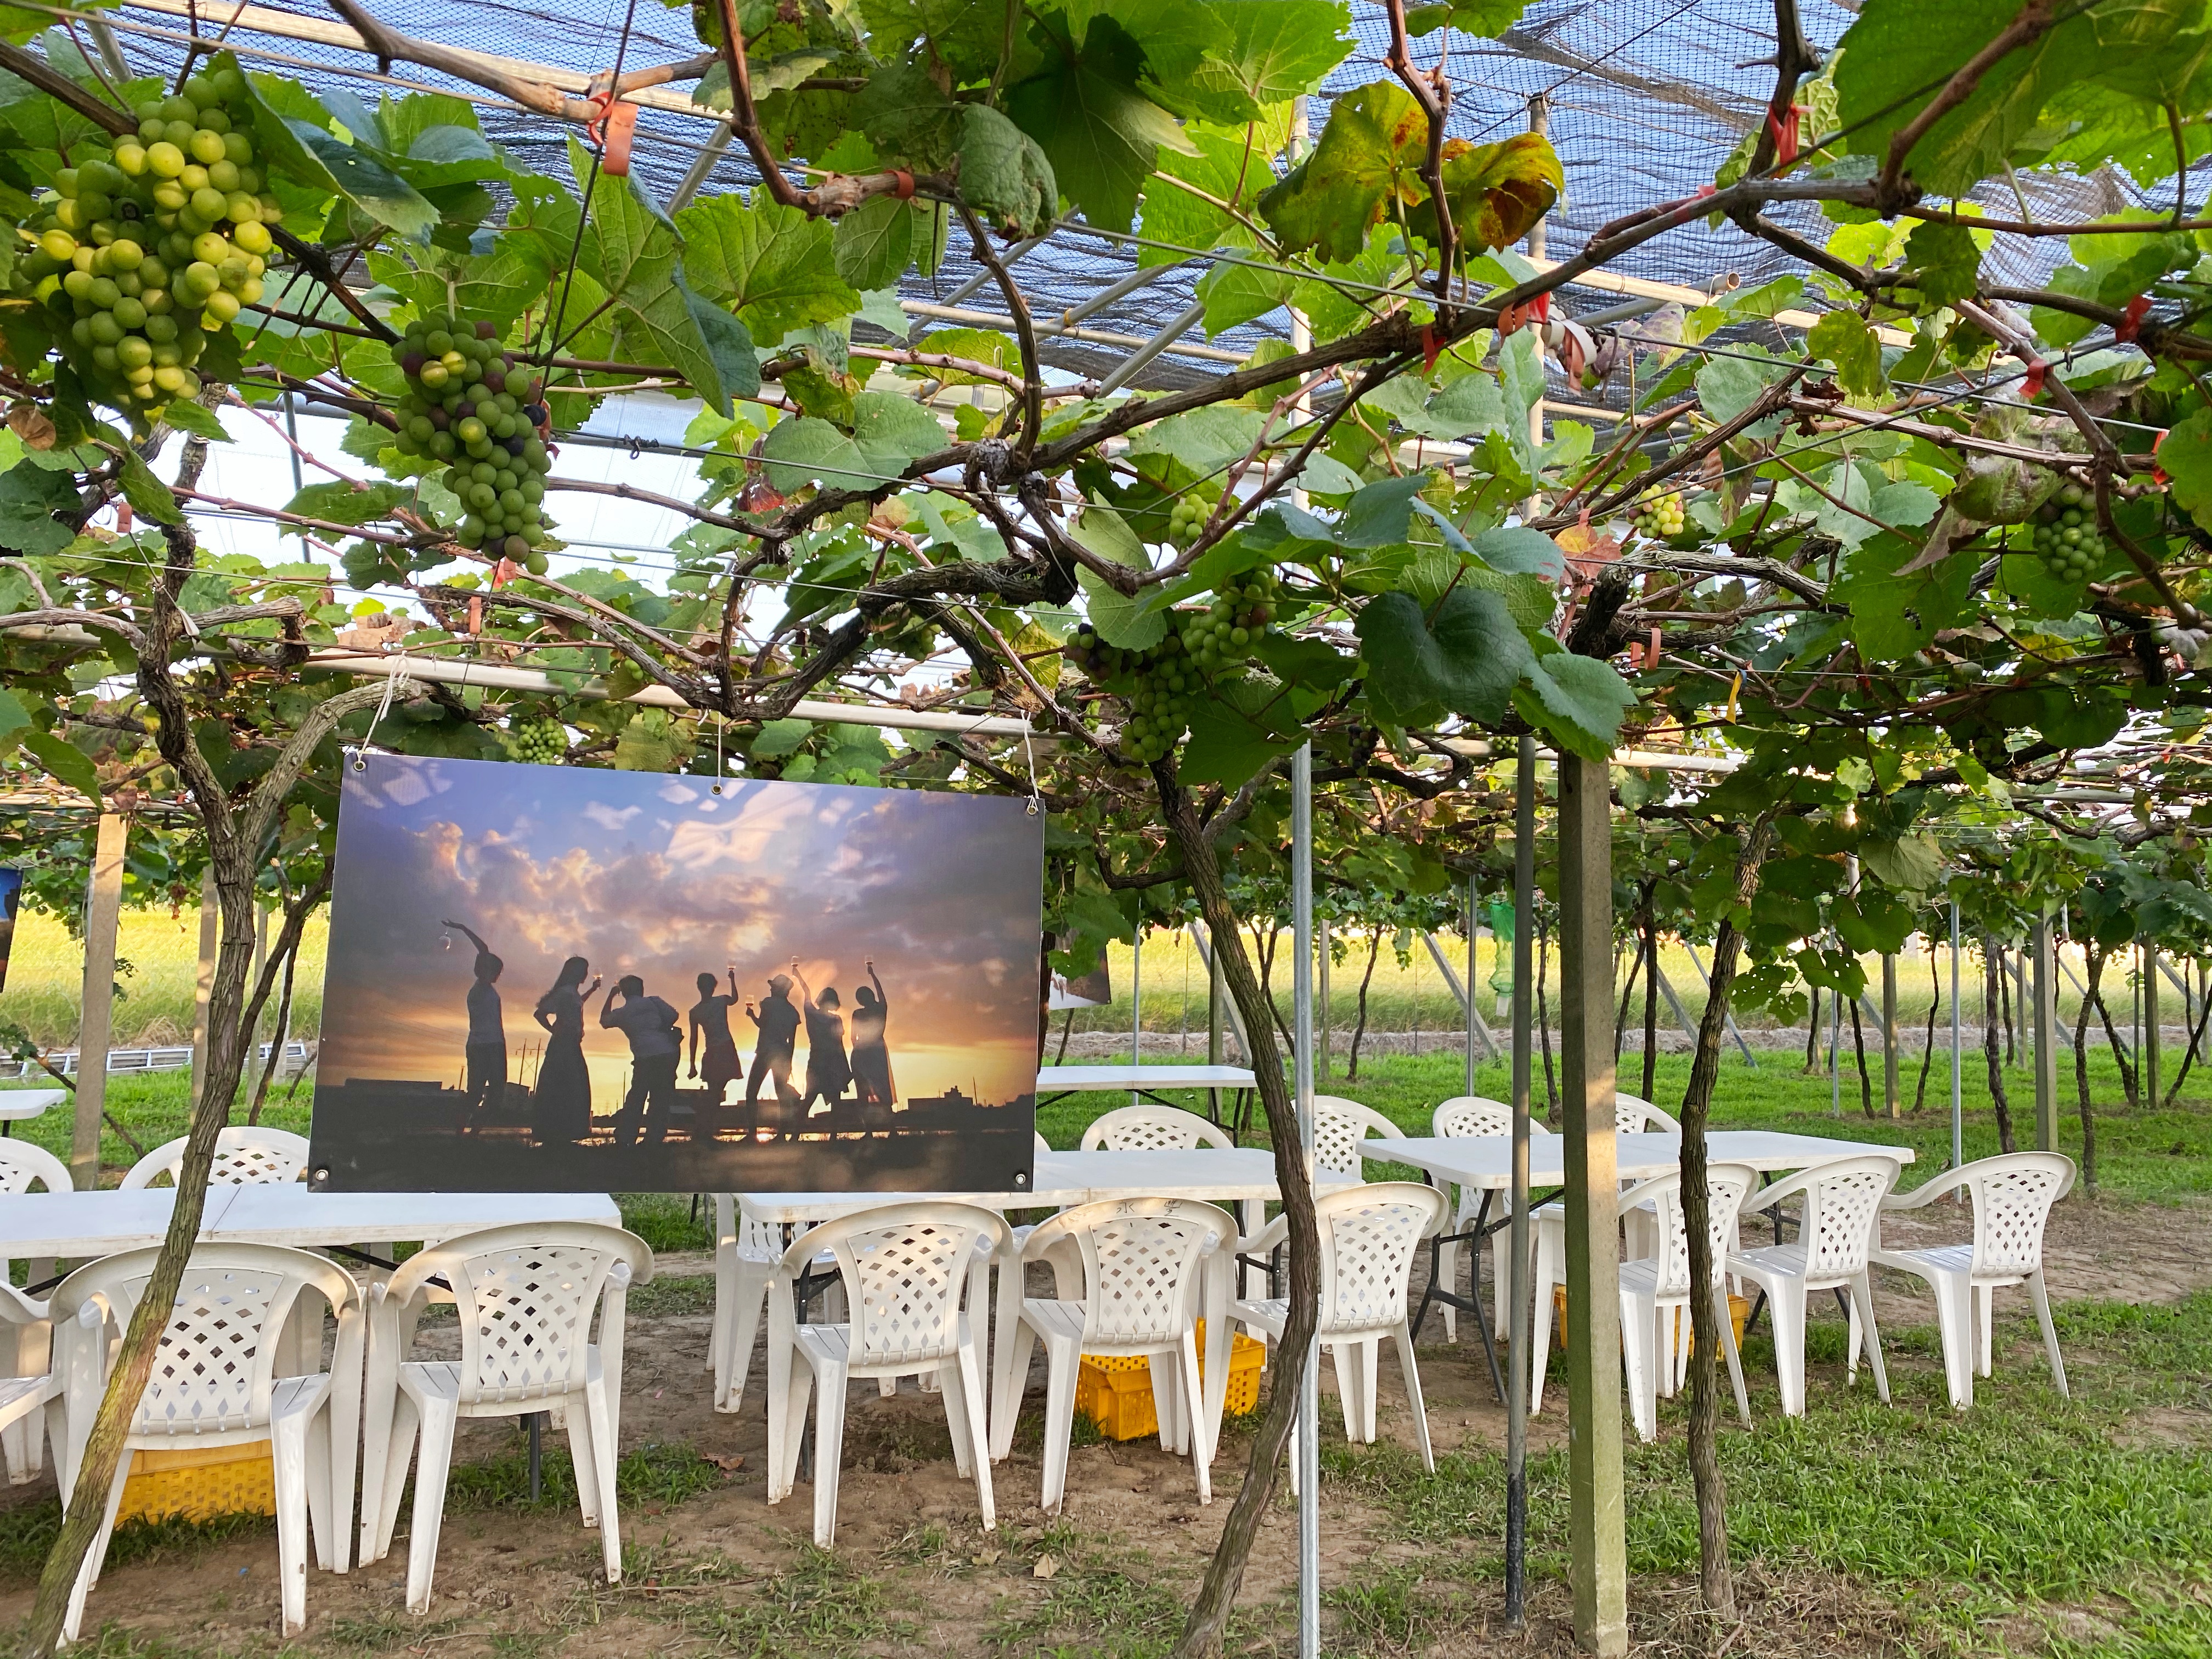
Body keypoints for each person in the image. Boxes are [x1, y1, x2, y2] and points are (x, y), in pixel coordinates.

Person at [601, 974, 682, 1151]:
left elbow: (604, 1021)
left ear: (623, 993)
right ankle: (654, 1139)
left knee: (637, 1097)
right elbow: (674, 1015)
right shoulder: (655, 1001)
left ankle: (626, 1137)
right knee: (660, 1098)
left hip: (644, 1057)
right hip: (667, 1052)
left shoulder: (622, 1013)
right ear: (642, 989)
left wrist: (610, 996)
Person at [444, 921, 505, 1133]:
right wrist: (463, 929)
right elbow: (484, 950)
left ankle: (475, 1131)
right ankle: (461, 1128)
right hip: (481, 1046)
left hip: (495, 1045)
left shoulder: (487, 990)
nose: (499, 975)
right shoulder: (479, 990)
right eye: (497, 971)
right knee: (476, 1092)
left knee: (496, 1094)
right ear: (487, 971)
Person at [532, 957, 599, 1145]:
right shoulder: (564, 993)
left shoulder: (571, 993)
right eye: (584, 970)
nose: (586, 974)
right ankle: (559, 1132)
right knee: (565, 1085)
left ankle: (563, 1133)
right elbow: (540, 1013)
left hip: (570, 1043)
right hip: (563, 1044)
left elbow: (578, 1002)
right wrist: (554, 1029)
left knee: (570, 1085)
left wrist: (592, 990)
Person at [792, 958, 851, 1124]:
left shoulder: (812, 1013)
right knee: (835, 1099)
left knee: (810, 1098)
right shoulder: (836, 1020)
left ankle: (795, 1134)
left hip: (817, 1058)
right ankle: (833, 1136)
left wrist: (798, 976)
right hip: (832, 1060)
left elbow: (807, 992)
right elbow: (839, 1043)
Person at [744, 972, 802, 1130]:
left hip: (765, 1052)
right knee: (781, 1094)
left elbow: (762, 1024)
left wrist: (752, 1016)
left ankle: (752, 1133)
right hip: (783, 1054)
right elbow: (792, 1041)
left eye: (773, 987)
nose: (770, 990)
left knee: (751, 1093)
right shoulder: (792, 1011)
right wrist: (789, 1062)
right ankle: (782, 1133)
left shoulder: (768, 1003)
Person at [688, 967, 743, 1108]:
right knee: (715, 1091)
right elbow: (735, 999)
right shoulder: (720, 1001)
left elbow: (694, 1040)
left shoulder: (695, 1011)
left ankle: (708, 1120)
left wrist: (692, 1065)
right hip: (723, 1048)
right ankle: (709, 1120)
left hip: (715, 1050)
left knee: (714, 1090)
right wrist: (732, 980)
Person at [849, 958, 895, 1113]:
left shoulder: (859, 1013)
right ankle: (891, 1130)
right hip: (875, 1052)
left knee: (863, 1093)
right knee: (881, 1089)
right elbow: (881, 993)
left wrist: (859, 1050)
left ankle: (870, 1131)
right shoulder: (880, 1009)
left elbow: (852, 1038)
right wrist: (873, 975)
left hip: (862, 1053)